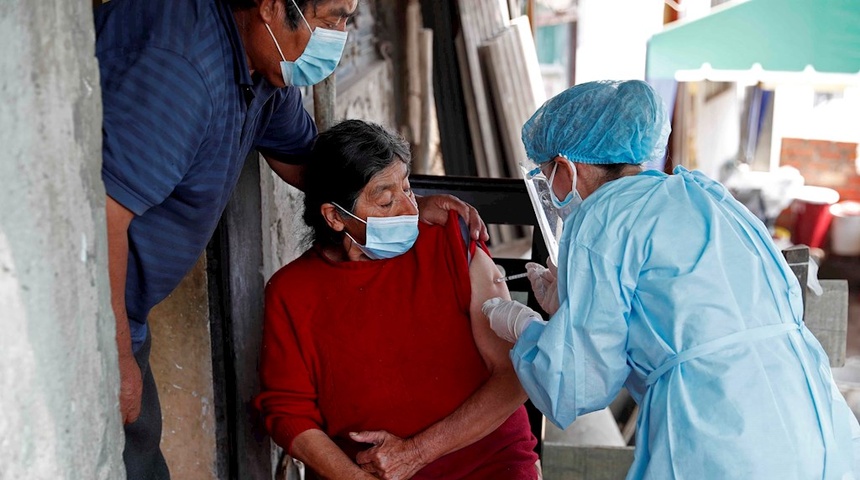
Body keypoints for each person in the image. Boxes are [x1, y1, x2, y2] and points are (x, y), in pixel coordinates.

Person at [95, 0, 486, 477]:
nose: (339, 38)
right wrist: (112, 352)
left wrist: (397, 204)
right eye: (332, 18)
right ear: (275, 7)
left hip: (124, 311)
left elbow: (316, 167)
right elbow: (103, 217)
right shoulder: (180, 69)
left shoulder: (264, 70)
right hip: (91, 309)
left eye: (348, 20)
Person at [482, 80, 860, 479]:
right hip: (815, 422)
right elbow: (696, 307)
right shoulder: (704, 194)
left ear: (566, 166)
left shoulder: (601, 218)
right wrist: (574, 307)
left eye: (546, 173)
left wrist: (527, 330)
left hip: (723, 434)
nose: (551, 188)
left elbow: (575, 386)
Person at [255, 120, 540, 480]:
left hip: (487, 463)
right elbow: (288, 411)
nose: (409, 209)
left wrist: (416, 452)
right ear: (334, 217)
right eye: (387, 200)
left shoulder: (449, 240)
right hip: (363, 472)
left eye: (408, 188)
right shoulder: (292, 291)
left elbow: (516, 373)